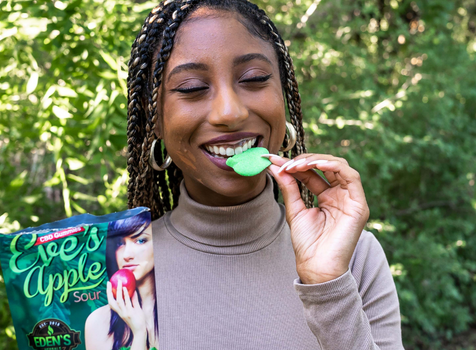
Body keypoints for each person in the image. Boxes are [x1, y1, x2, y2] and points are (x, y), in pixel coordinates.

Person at [125, 0, 404, 348]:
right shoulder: (117, 271)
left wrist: (328, 286)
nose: (230, 112)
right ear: (156, 123)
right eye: (192, 87)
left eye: (253, 79)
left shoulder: (353, 256)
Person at [85, 213, 158, 350]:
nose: (127, 255)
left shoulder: (181, 311)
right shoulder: (98, 322)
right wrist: (139, 334)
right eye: (120, 243)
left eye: (140, 240)